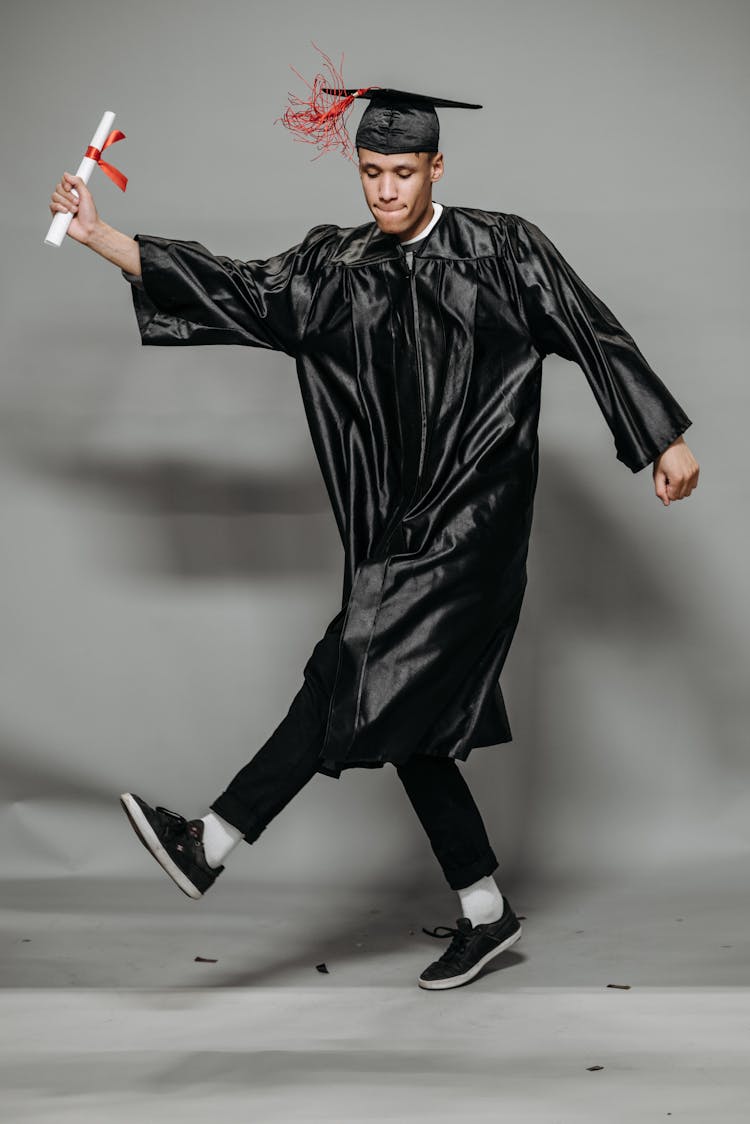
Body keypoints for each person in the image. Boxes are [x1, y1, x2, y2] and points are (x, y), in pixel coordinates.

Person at [48, 79, 700, 992]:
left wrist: (662, 439)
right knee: (407, 718)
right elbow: (236, 292)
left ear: (438, 166)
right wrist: (101, 237)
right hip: (396, 525)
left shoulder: (503, 250)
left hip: (475, 523)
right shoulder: (337, 265)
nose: (386, 191)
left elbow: (590, 329)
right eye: (371, 172)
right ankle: (486, 913)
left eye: (403, 172)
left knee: (352, 662)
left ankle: (213, 841)